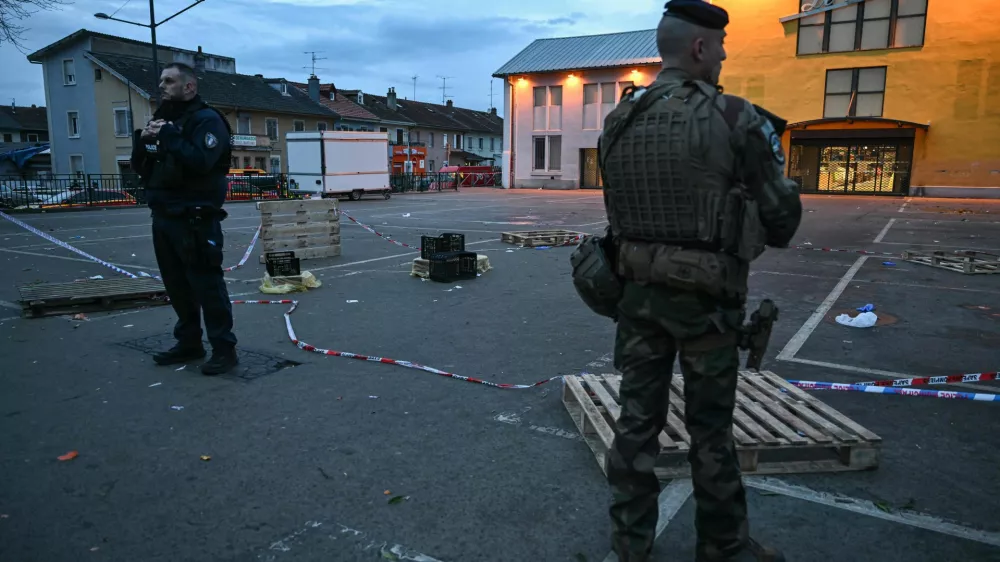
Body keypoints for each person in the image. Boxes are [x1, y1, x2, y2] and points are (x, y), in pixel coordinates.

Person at [587, 1, 803, 561]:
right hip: (707, 303)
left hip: (636, 297)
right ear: (701, 49)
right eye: (721, 45)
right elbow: (782, 222)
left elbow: (618, 209)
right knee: (710, 431)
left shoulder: (620, 118)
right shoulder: (735, 116)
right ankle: (724, 549)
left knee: (636, 425)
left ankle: (629, 548)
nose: (726, 55)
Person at [130, 62, 240, 375]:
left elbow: (201, 161)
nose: (161, 86)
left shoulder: (207, 120)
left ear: (188, 87)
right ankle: (189, 342)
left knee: (207, 284)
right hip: (163, 214)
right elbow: (141, 165)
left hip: (195, 216)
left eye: (169, 80)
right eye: (161, 80)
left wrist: (169, 136)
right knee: (176, 285)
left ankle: (223, 348)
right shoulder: (164, 119)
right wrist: (147, 140)